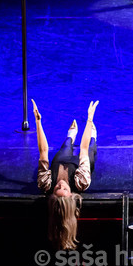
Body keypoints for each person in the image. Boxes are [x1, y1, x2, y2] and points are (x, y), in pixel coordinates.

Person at [34, 99, 98, 250]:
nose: (60, 184)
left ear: (52, 194)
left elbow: (43, 152)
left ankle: (70, 136)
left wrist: (38, 122)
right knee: (90, 150)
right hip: (77, 164)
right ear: (71, 194)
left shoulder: (45, 183)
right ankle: (94, 136)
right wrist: (89, 119)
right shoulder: (81, 182)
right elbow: (83, 148)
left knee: (65, 148)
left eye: (57, 188)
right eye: (65, 188)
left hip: (62, 162)